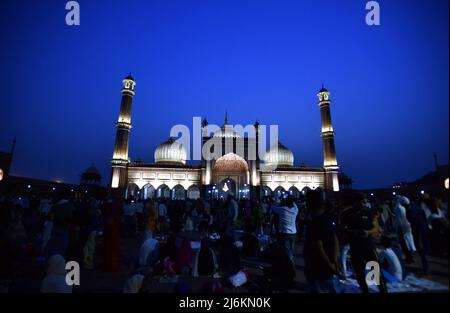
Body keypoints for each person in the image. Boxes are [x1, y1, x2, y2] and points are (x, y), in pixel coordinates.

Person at [340, 193, 388, 293]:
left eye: (365, 202)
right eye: (362, 202)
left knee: (376, 273)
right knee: (360, 274)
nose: (364, 204)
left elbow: (376, 228)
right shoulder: (346, 214)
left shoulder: (369, 212)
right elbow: (341, 230)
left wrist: (368, 232)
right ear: (355, 202)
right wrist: (350, 233)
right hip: (355, 248)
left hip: (369, 247)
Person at [303, 190, 340, 292]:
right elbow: (335, 239)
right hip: (328, 267)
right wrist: (335, 260)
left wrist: (330, 264)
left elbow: (318, 246)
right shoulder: (328, 219)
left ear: (309, 204)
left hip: (317, 268)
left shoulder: (314, 223)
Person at [272, 196, 298, 262]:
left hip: (284, 232)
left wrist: (278, 200)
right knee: (291, 249)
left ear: (286, 202)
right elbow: (295, 205)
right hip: (293, 232)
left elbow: (273, 207)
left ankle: (290, 264)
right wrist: (291, 199)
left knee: (287, 250)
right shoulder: (295, 210)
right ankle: (289, 262)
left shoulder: (282, 209)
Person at [394, 195, 416, 263]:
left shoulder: (399, 208)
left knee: (404, 243)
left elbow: (399, 219)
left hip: (402, 228)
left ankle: (409, 257)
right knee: (409, 241)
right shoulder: (406, 208)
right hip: (408, 226)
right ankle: (411, 256)